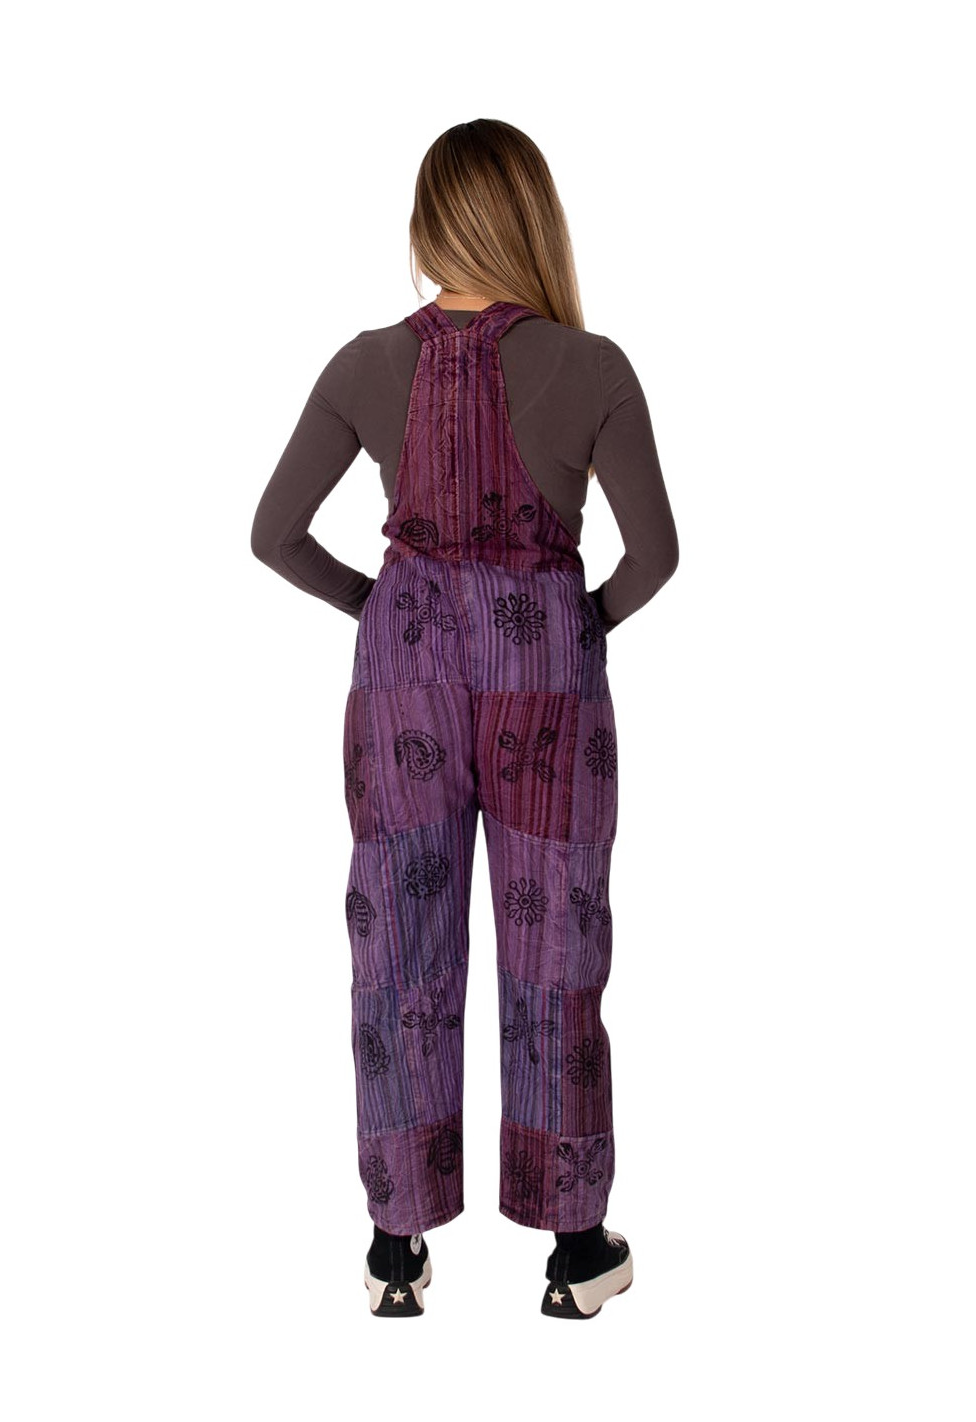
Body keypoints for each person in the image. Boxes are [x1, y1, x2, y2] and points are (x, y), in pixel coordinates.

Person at [251, 119, 678, 1319]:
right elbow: (654, 556)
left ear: (427, 224)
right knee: (557, 943)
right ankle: (574, 1250)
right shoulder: (592, 368)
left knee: (397, 938)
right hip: (547, 670)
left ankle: (395, 1250)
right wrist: (578, 623)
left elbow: (272, 534)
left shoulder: (361, 365)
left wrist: (380, 610)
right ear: (531, 221)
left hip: (404, 672)